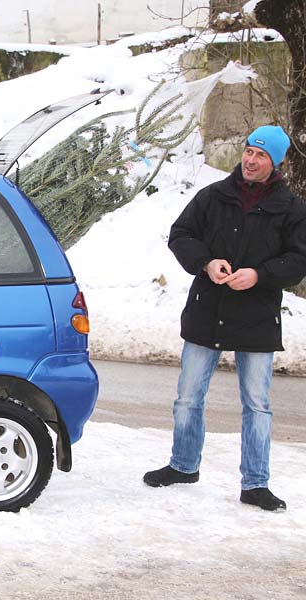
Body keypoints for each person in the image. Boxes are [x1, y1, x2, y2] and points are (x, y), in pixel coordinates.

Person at [143, 125, 306, 511]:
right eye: (249, 151)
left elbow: (299, 260)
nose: (251, 160)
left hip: (257, 314)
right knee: (188, 397)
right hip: (207, 310)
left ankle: (255, 483)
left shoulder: (292, 207)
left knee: (257, 403)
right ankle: (183, 466)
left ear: (276, 161)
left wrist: (260, 275)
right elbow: (181, 234)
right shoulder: (214, 195)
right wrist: (206, 262)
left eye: (261, 155)